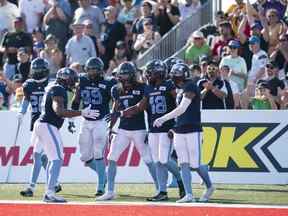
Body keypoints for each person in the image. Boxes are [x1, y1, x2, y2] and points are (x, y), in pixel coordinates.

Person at [107, 60, 185, 201]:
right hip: (153, 129)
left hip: (167, 127)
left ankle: (181, 181)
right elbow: (139, 107)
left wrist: (176, 125)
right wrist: (121, 113)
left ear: (158, 73)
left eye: (150, 72)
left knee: (164, 160)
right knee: (157, 161)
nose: (147, 75)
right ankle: (162, 191)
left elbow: (179, 106)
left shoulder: (169, 85)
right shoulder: (148, 88)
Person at [33, 67, 99, 202]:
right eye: (72, 79)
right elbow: (59, 111)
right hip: (47, 125)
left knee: (53, 159)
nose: (73, 82)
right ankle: (50, 193)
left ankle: (49, 191)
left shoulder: (54, 87)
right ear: (66, 79)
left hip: (43, 125)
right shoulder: (58, 89)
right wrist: (82, 113)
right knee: (57, 159)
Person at [153, 62, 214, 203]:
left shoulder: (191, 86)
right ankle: (189, 194)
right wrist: (174, 126)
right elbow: (179, 113)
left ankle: (210, 186)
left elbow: (182, 108)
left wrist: (163, 118)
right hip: (180, 129)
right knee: (183, 163)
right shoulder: (180, 89)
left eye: (175, 75)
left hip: (193, 128)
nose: (173, 77)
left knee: (195, 164)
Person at [96, 62, 158, 201]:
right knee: (111, 158)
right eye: (121, 74)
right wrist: (110, 128)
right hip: (123, 129)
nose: (122, 77)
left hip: (139, 129)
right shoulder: (116, 89)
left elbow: (143, 109)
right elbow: (115, 110)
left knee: (148, 159)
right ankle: (110, 190)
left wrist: (150, 129)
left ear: (131, 75)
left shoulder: (142, 87)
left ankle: (160, 188)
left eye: (124, 74)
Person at [71, 57, 116, 196]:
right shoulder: (83, 80)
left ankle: (101, 186)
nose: (91, 72)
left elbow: (116, 100)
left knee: (98, 153)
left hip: (101, 121)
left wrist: (113, 115)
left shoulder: (109, 82)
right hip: (86, 121)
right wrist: (72, 118)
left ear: (100, 70)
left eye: (94, 69)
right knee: (85, 157)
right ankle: (106, 177)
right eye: (89, 69)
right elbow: (76, 98)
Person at [17, 58, 61, 197]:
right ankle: (54, 183)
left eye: (38, 70)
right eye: (34, 70)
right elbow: (26, 98)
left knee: (39, 156)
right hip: (37, 123)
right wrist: (22, 111)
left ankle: (32, 187)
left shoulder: (52, 84)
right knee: (41, 157)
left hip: (47, 123)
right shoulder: (29, 85)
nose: (36, 72)